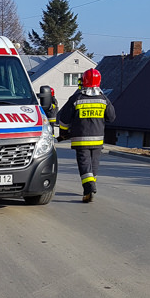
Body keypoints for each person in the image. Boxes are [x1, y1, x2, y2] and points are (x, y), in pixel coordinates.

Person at [57, 68, 116, 203]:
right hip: (97, 139)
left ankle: (89, 187)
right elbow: (111, 117)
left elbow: (64, 120)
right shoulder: (104, 99)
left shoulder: (76, 99)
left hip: (80, 139)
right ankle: (90, 186)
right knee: (94, 164)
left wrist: (64, 133)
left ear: (83, 81)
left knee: (84, 164)